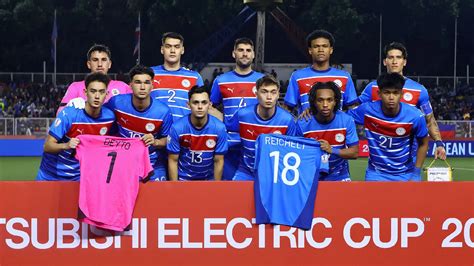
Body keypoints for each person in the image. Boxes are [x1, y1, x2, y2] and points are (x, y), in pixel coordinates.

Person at [358, 42, 447, 160]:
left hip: (409, 160)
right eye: (391, 57)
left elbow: (429, 120)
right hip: (379, 161)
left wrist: (439, 143)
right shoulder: (372, 88)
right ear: (385, 62)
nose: (394, 61)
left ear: (404, 62)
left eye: (398, 57)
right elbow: (354, 111)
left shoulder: (419, 90)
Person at [347, 73, 429, 181]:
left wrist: (416, 173)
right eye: (387, 93)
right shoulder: (367, 110)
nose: (391, 97)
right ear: (379, 94)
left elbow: (423, 143)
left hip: (406, 174)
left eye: (395, 93)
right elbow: (343, 119)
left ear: (401, 94)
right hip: (375, 174)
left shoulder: (415, 116)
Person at [36, 72, 116, 181]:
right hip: (50, 175)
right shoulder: (70, 114)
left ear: (106, 94)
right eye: (93, 91)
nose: (97, 96)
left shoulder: (110, 117)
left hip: (79, 177)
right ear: (85, 92)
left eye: (101, 92)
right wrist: (66, 145)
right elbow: (47, 146)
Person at [106, 65, 173, 181]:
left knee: (159, 197)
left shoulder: (163, 111)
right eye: (138, 82)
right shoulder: (116, 102)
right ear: (130, 84)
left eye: (146, 83)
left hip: (153, 163)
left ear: (152, 85)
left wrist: (155, 141)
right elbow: (99, 117)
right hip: (123, 161)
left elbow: (169, 140)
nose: (142, 87)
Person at [210, 37, 264, 180]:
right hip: (230, 140)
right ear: (234, 54)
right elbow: (210, 108)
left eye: (248, 51)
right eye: (241, 50)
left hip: (256, 140)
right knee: (230, 187)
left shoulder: (262, 81)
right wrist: (225, 121)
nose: (245, 54)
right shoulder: (221, 80)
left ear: (253, 54)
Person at [230, 75, 298, 181]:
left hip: (275, 174)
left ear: (278, 95)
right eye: (264, 92)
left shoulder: (287, 120)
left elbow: (294, 151)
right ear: (256, 94)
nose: (269, 97)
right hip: (246, 172)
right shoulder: (242, 115)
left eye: (273, 92)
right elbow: (225, 133)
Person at [284, 29, 358, 115]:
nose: (320, 50)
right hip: (308, 127)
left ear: (331, 50)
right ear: (310, 50)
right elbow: (287, 109)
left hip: (337, 128)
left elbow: (352, 109)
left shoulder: (345, 77)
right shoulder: (297, 77)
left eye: (325, 46)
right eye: (316, 46)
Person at [297, 81, 359, 181]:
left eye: (329, 100)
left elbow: (354, 153)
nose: (325, 104)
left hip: (340, 175)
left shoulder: (346, 120)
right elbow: (297, 154)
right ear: (314, 102)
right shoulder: (302, 124)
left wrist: (332, 150)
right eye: (320, 100)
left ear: (335, 102)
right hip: (311, 176)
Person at [167, 86, 228, 181]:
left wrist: (216, 188)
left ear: (210, 105)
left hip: (209, 180)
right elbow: (173, 160)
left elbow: (218, 161)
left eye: (204, 102)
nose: (200, 107)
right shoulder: (177, 128)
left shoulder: (219, 128)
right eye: (195, 102)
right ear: (188, 105)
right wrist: (175, 187)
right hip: (184, 179)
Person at [57, 44, 131, 113]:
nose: (99, 64)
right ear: (89, 64)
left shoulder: (123, 87)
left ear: (109, 64)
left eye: (104, 60)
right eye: (95, 60)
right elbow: (59, 114)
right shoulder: (76, 87)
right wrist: (69, 107)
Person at [150, 32, 204, 122]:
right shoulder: (150, 74)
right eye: (168, 46)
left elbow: (202, 106)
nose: (172, 50)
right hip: (155, 131)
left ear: (182, 50)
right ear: (162, 49)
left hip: (184, 132)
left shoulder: (195, 77)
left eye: (176, 47)